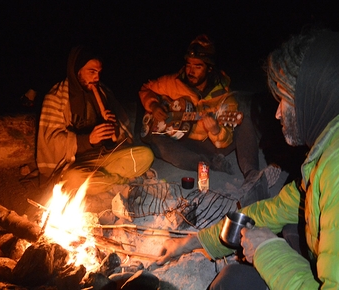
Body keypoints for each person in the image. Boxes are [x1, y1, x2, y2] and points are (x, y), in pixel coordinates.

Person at [156, 27, 339, 289]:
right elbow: (272, 209)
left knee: (231, 282)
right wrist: (192, 241)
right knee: (289, 229)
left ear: (315, 97)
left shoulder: (335, 168)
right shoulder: (323, 155)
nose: (277, 114)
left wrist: (266, 249)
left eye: (285, 101)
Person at [139, 34, 280, 206]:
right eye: (189, 65)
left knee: (243, 120)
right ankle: (207, 163)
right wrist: (153, 105)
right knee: (156, 140)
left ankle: (252, 175)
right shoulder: (173, 82)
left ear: (209, 68)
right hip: (184, 142)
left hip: (212, 144)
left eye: (198, 67)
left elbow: (224, 140)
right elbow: (146, 88)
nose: (191, 71)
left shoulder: (223, 96)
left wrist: (215, 130)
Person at [36, 46, 154, 195]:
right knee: (72, 179)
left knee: (145, 155)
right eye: (91, 72)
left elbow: (118, 139)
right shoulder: (56, 97)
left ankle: (103, 181)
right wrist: (89, 140)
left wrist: (114, 129)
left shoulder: (103, 93)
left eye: (98, 72)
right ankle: (118, 181)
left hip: (102, 159)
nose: (97, 78)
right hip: (73, 165)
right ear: (77, 70)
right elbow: (50, 143)